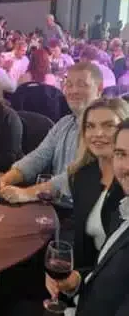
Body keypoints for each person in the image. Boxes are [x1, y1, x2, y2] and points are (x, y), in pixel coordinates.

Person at [46, 118, 129, 316]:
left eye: (107, 125)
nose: (126, 166)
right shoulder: (124, 210)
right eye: (121, 154)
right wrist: (76, 280)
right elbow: (105, 273)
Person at [0, 62, 103, 198]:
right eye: (69, 85)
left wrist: (28, 193)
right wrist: (7, 178)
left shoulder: (103, 130)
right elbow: (39, 156)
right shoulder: (64, 123)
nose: (73, 91)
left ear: (99, 89)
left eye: (82, 85)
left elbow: (79, 175)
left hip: (85, 207)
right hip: (57, 202)